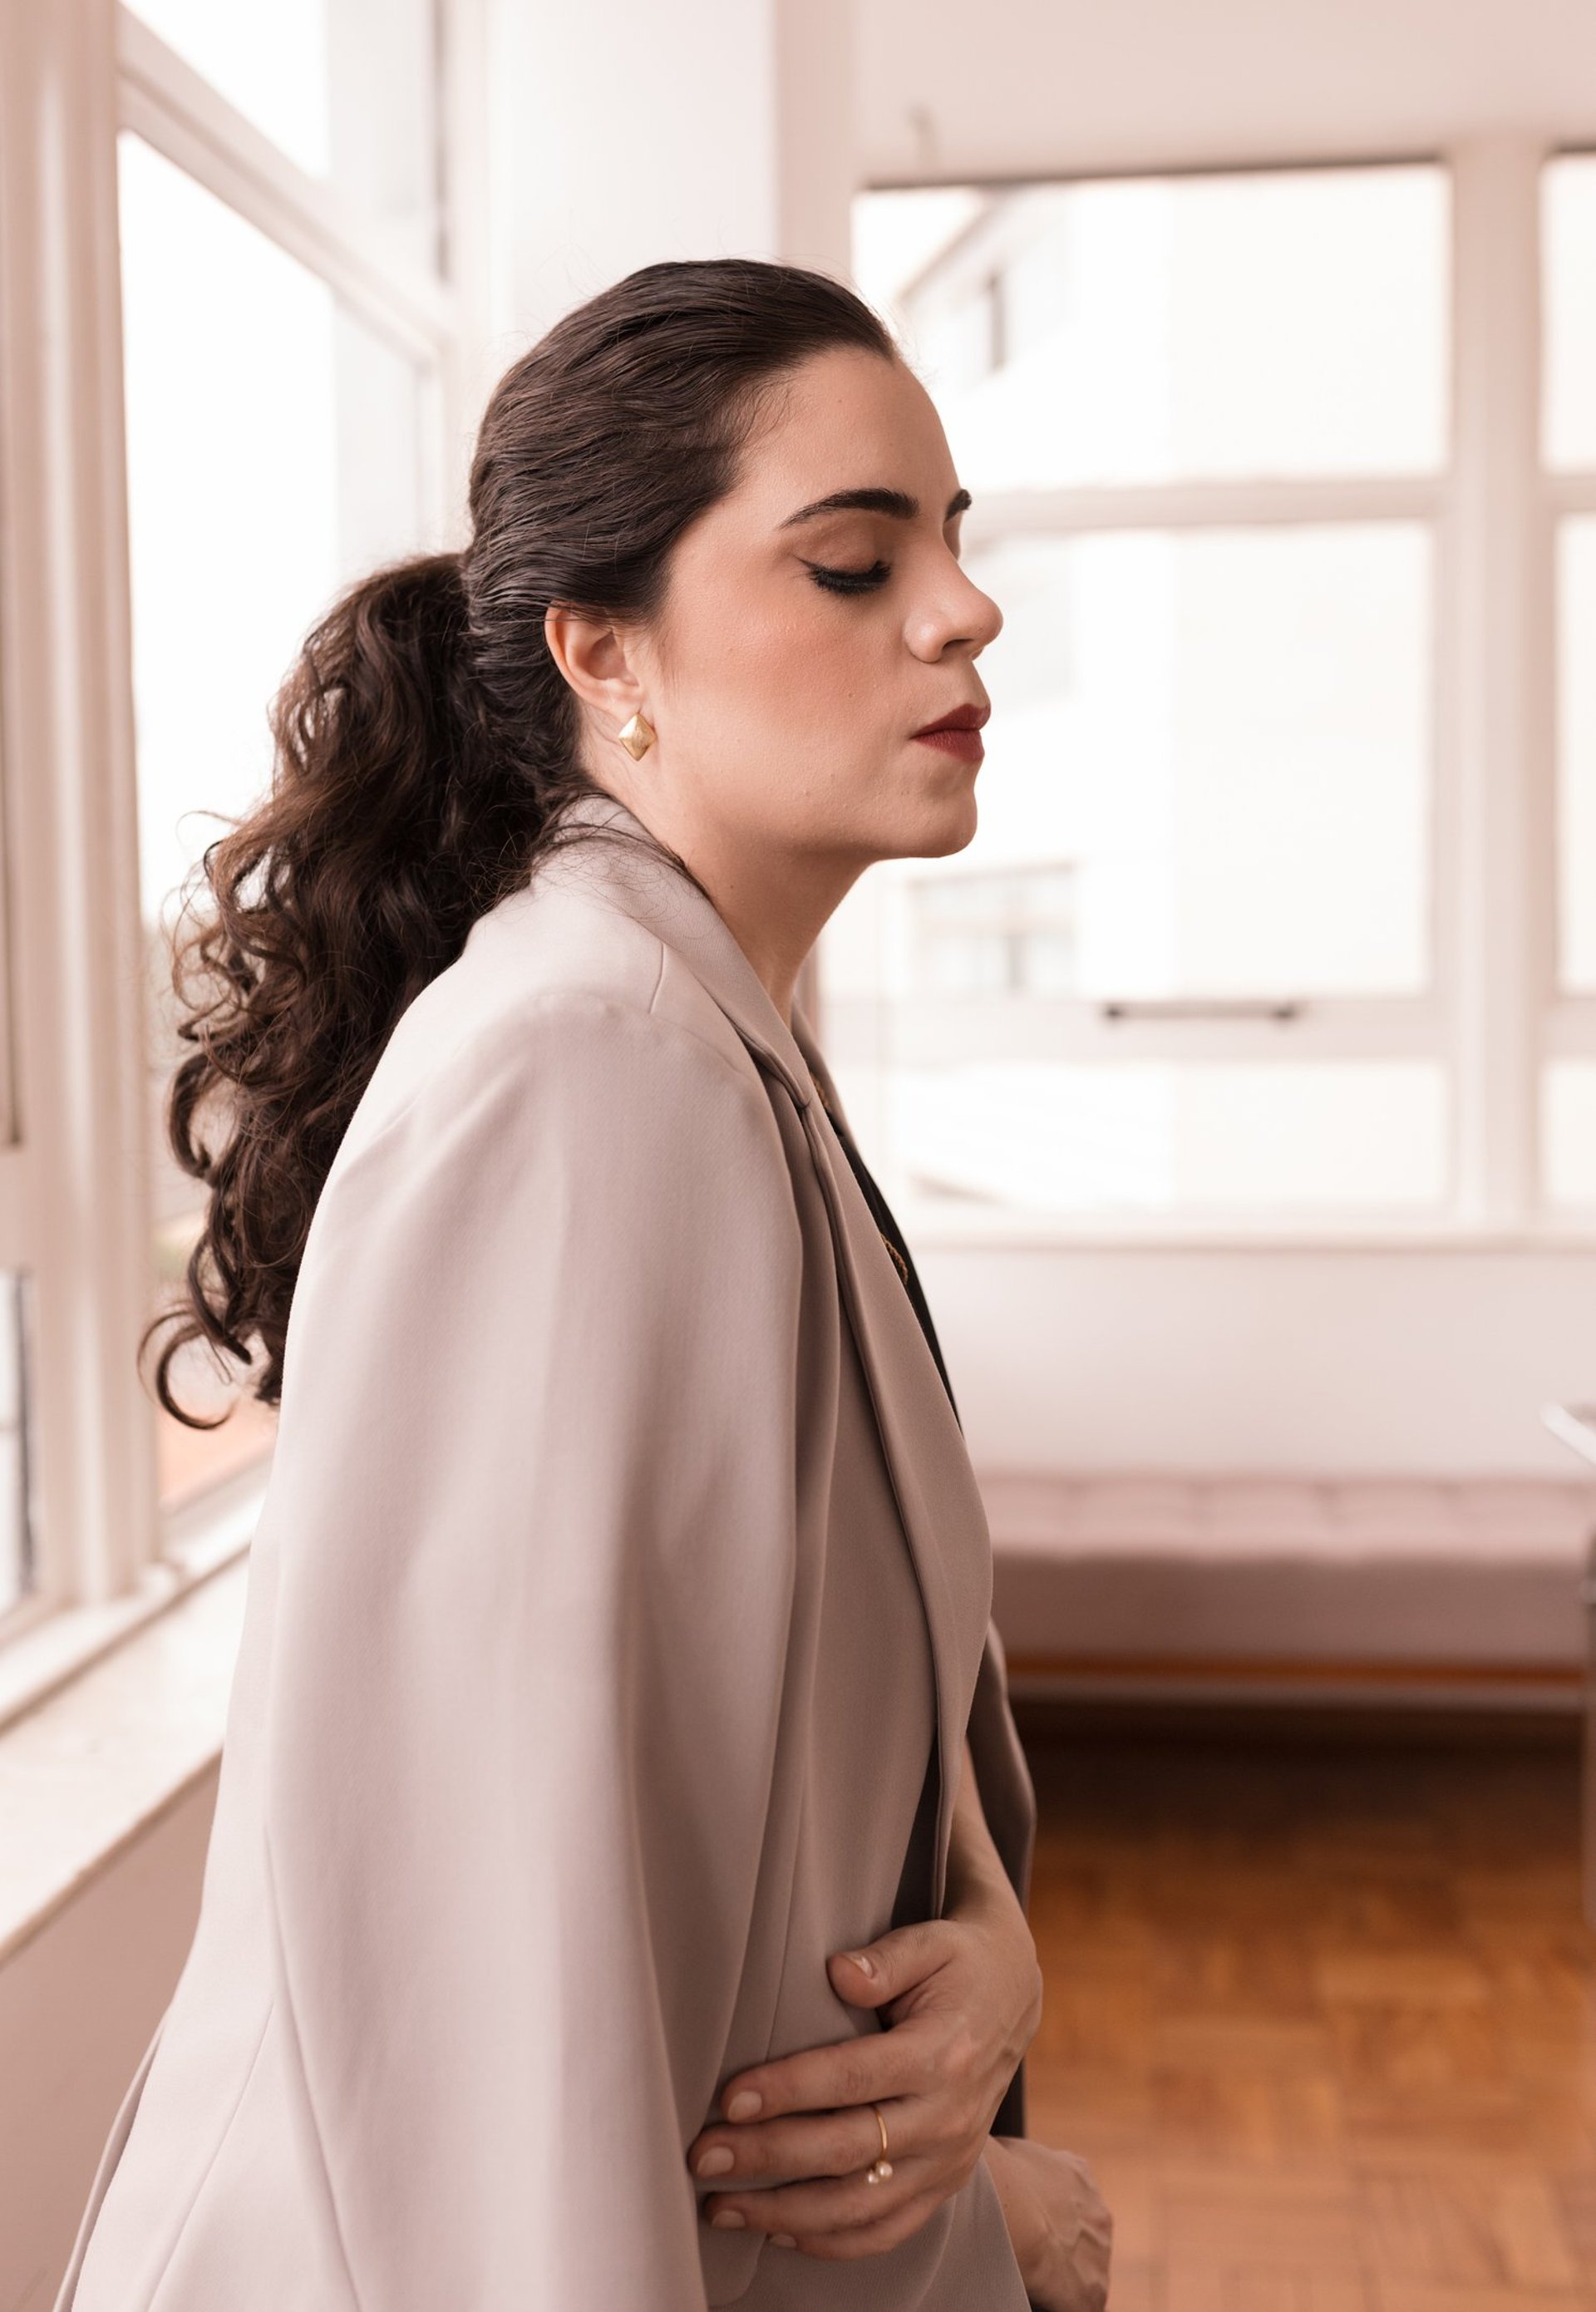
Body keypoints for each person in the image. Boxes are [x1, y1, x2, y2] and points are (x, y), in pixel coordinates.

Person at [54, 258, 1111, 2311]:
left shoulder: (710, 1033)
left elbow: (794, 1717)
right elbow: (482, 1983)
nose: (964, 605)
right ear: (602, 649)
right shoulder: (596, 1062)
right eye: (848, 559)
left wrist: (987, 1948)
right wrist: (985, 2205)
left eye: (954, 541)